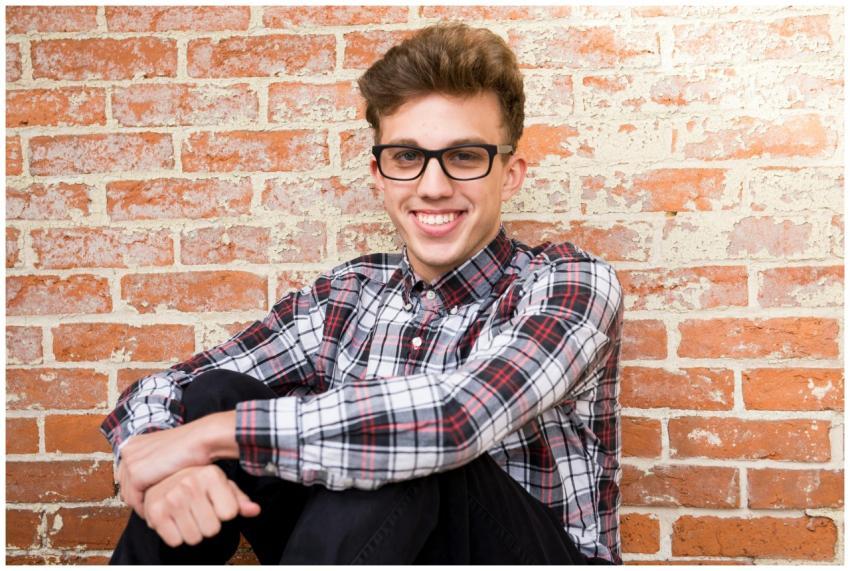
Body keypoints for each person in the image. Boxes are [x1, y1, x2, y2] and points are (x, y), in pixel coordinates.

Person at [101, 22, 624, 565]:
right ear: (379, 174)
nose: (434, 186)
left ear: (510, 174)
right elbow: (173, 386)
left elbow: (454, 418)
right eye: (406, 157)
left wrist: (207, 439)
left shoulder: (569, 282)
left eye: (465, 156)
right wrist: (159, 460)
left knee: (410, 451)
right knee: (213, 395)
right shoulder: (345, 295)